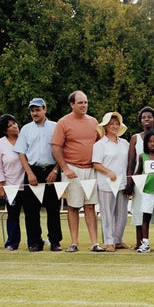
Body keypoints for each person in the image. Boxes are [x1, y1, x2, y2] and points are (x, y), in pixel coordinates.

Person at [51, 90, 104, 252]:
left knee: (90, 206)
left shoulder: (94, 121)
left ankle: (94, 243)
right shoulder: (63, 122)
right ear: (72, 104)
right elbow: (56, 147)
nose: (84, 105)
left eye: (86, 102)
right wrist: (65, 169)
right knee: (73, 206)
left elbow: (100, 145)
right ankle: (74, 243)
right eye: (80, 103)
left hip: (90, 170)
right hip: (72, 169)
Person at [15, 97, 63, 251]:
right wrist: (29, 173)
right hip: (32, 170)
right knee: (31, 210)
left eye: (37, 110)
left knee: (53, 209)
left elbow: (61, 150)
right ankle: (35, 242)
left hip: (52, 169)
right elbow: (21, 153)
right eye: (32, 110)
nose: (35, 113)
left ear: (45, 110)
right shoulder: (26, 129)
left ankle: (55, 241)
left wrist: (56, 170)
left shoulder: (55, 127)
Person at [126, 107, 154, 250]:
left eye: (150, 117)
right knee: (141, 212)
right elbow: (131, 162)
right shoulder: (135, 138)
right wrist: (130, 182)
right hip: (141, 183)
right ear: (140, 121)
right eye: (143, 117)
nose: (146, 119)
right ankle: (141, 243)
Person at [92, 112, 130, 252]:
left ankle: (118, 240)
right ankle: (109, 242)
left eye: (116, 124)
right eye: (111, 124)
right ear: (105, 126)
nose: (114, 126)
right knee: (107, 214)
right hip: (106, 184)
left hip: (122, 183)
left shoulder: (124, 143)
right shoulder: (100, 144)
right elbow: (96, 163)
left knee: (122, 215)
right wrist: (108, 172)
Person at [0, 114, 27, 251]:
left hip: (28, 183)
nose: (15, 126)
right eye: (10, 125)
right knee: (12, 216)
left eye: (15, 123)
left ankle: (34, 241)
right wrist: (1, 187)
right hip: (10, 185)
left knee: (32, 214)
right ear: (5, 130)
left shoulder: (25, 139)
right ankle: (12, 242)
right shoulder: (0, 144)